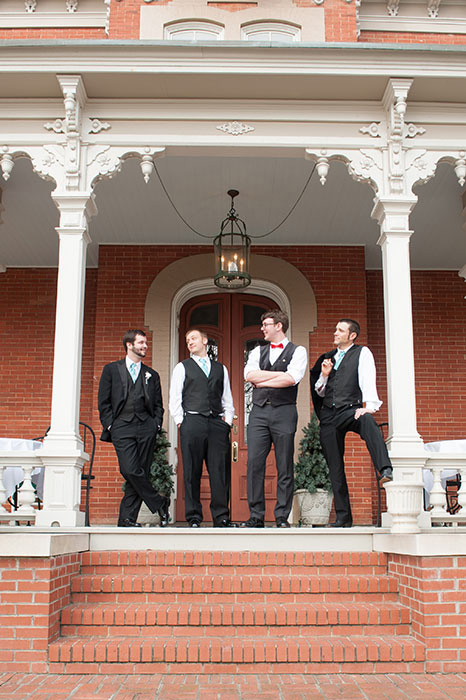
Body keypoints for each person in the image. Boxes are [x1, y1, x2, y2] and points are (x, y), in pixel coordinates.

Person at [310, 319, 393, 528]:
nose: (335, 332)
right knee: (335, 466)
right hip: (329, 414)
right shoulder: (328, 357)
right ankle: (343, 518)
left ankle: (385, 469)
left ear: (352, 335)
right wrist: (324, 375)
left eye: (340, 330)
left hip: (350, 409)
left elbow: (367, 378)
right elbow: (320, 390)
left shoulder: (362, 353)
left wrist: (369, 406)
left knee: (367, 421)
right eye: (335, 329)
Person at [241, 310, 307, 528]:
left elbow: (291, 379)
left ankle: (281, 517)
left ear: (279, 326)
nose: (262, 328)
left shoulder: (298, 351)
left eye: (266, 324)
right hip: (259, 412)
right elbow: (249, 376)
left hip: (284, 412)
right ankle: (256, 516)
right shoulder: (256, 351)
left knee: (284, 464)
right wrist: (278, 376)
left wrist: (264, 379)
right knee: (254, 465)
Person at [98, 329, 169, 528]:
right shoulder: (111, 370)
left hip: (146, 427)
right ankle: (159, 502)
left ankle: (127, 519)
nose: (145, 346)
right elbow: (103, 401)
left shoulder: (151, 375)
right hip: (121, 426)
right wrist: (110, 424)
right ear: (129, 345)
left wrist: (155, 424)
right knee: (129, 469)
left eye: (145, 343)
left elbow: (158, 405)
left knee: (140, 473)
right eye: (141, 343)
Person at [169, 328, 236, 528]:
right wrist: (182, 422)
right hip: (192, 422)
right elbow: (175, 398)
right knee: (191, 471)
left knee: (220, 472)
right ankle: (194, 517)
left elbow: (227, 399)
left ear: (205, 341)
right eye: (187, 339)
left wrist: (227, 423)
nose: (190, 342)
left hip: (216, 424)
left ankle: (221, 517)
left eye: (194, 338)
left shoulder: (220, 368)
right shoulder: (182, 367)